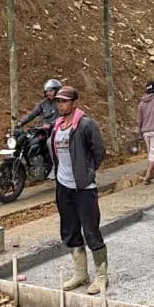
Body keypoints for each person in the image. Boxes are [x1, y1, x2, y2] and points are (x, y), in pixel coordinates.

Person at [49, 85, 109, 295]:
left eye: (65, 101)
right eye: (58, 101)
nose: (61, 105)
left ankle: (101, 276)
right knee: (70, 230)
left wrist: (89, 172)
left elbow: (99, 150)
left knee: (91, 230)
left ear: (74, 103)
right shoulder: (57, 126)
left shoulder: (85, 124)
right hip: (63, 186)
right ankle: (81, 273)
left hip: (83, 188)